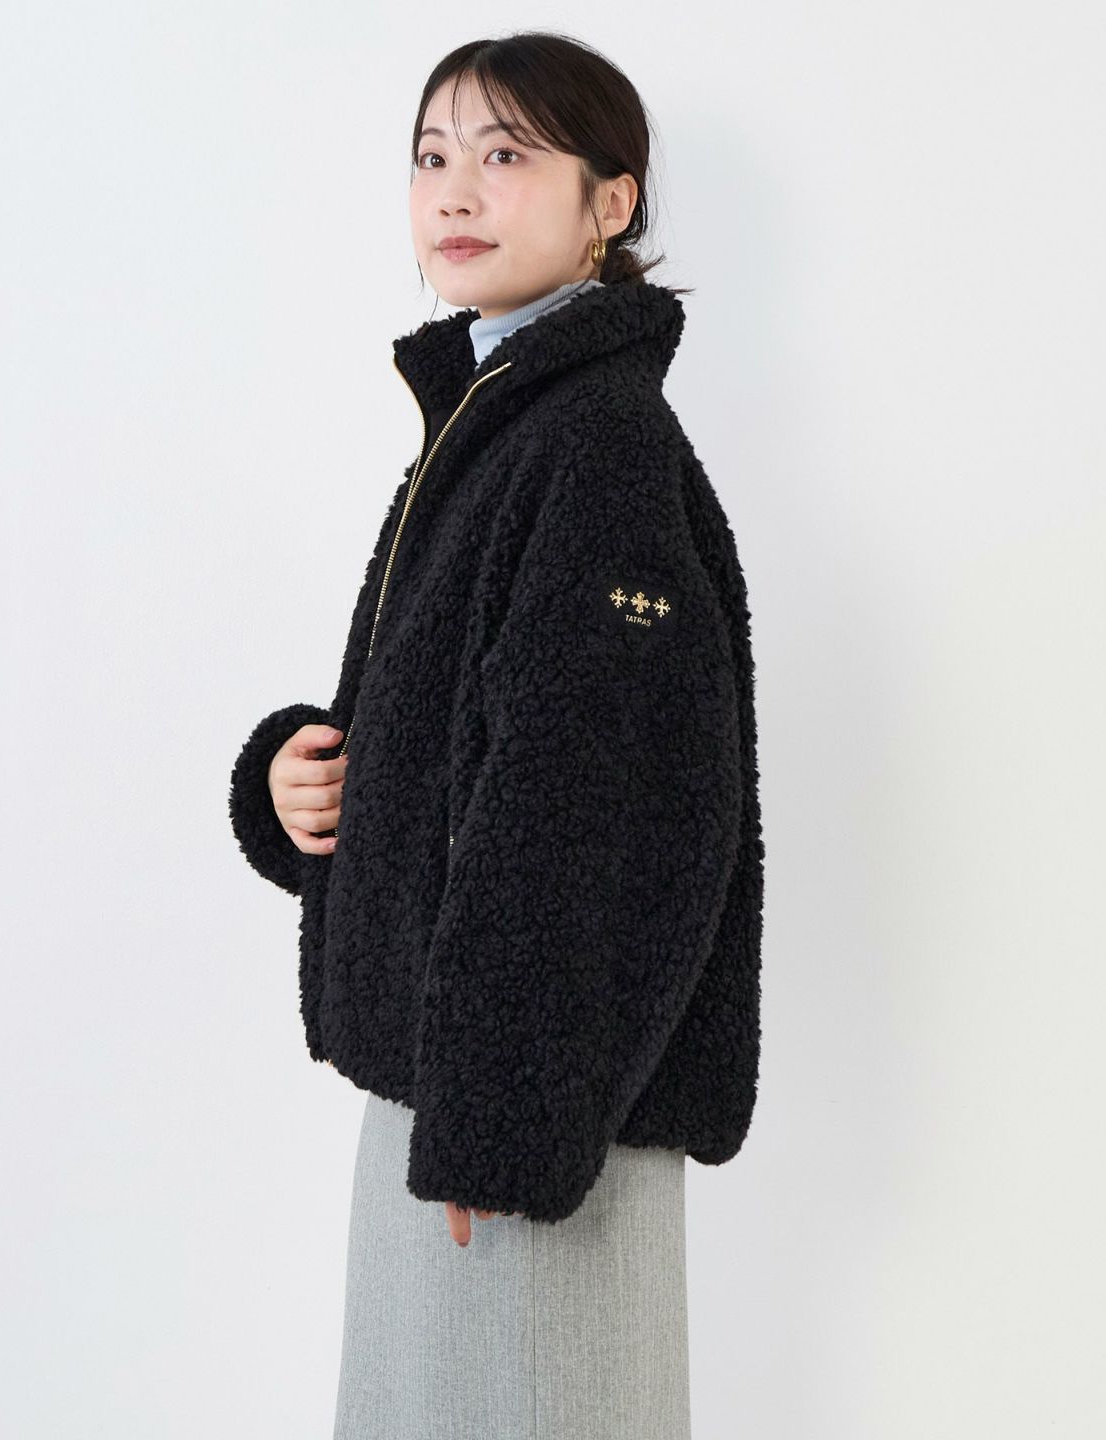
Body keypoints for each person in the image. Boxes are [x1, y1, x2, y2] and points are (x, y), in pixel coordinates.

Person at [228, 31, 764, 1440]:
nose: (456, 190)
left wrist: (508, 1120)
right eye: (432, 156)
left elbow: (605, 805)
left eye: (507, 153)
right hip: (456, 1097)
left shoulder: (595, 444)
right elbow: (454, 749)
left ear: (610, 203)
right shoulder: (495, 425)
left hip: (526, 1127)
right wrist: (295, 778)